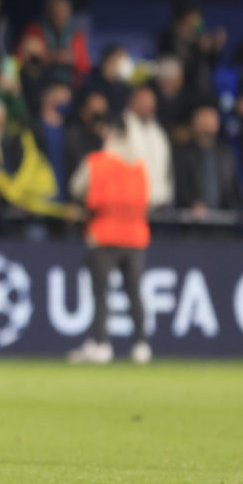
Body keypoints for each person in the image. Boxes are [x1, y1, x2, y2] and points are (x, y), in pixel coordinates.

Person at [68, 116, 152, 364]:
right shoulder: (139, 167)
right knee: (134, 292)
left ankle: (101, 344)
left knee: (100, 294)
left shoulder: (97, 162)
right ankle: (140, 345)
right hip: (135, 237)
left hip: (103, 235)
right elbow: (151, 198)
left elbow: (76, 187)